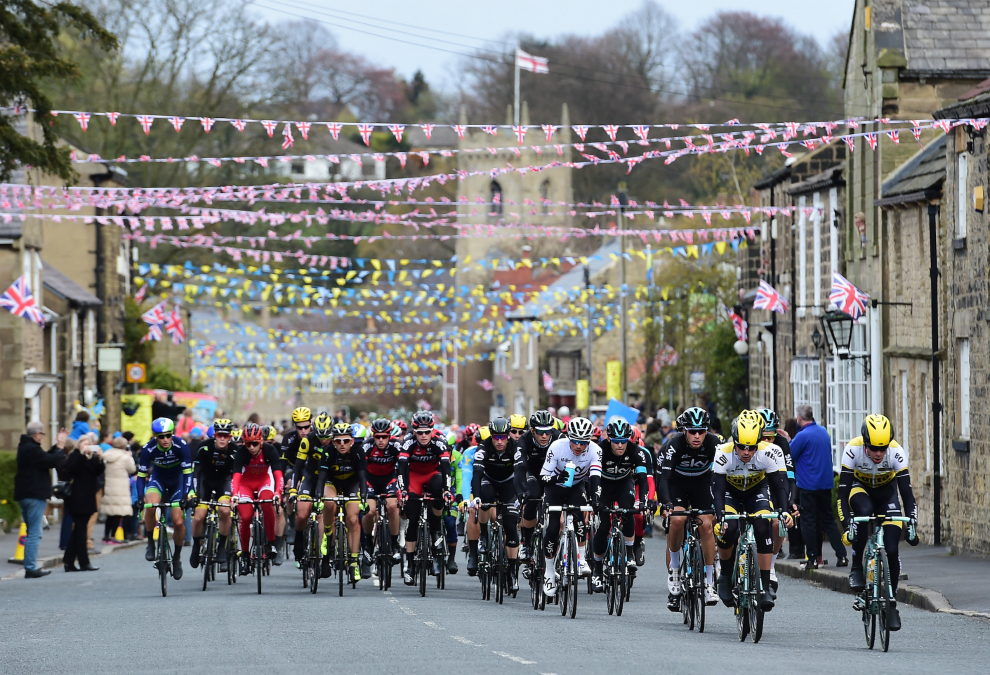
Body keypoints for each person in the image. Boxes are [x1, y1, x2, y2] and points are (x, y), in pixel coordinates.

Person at [838, 414, 918, 632]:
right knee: (863, 512)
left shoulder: (896, 452)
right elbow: (841, 496)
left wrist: (912, 525)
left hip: (886, 493)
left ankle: (891, 603)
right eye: (874, 448)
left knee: (892, 548)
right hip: (859, 489)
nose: (879, 454)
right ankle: (856, 567)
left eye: (882, 448)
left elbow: (908, 496)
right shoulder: (852, 450)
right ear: (865, 442)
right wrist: (847, 527)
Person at [713, 412, 793, 611]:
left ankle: (765, 586)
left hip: (757, 491)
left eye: (751, 447)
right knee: (729, 528)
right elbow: (718, 490)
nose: (746, 452)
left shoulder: (771, 451)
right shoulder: (723, 452)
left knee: (762, 524)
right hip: (730, 493)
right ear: (734, 441)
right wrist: (719, 515)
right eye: (741, 447)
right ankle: (724, 575)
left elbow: (780, 486)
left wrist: (784, 511)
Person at [657, 406, 720, 609]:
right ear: (684, 430)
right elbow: (664, 478)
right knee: (677, 520)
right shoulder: (673, 444)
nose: (697, 435)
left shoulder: (714, 443)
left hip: (702, 484)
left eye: (701, 431)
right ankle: (675, 570)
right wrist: (666, 505)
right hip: (677, 485)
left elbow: (722, 475)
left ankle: (709, 581)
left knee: (706, 525)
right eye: (692, 431)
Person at [540, 416, 602, 596]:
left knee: (580, 517)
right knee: (553, 528)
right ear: (569, 437)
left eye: (583, 443)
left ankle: (581, 558)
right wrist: (556, 478)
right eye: (574, 441)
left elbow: (596, 477)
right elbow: (543, 477)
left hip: (576, 486)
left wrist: (596, 498)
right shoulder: (557, 447)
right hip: (555, 488)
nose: (578, 446)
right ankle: (550, 572)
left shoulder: (595, 450)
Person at [590, 418, 650, 593]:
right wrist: (593, 499)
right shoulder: (599, 450)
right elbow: (591, 478)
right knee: (603, 525)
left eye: (623, 441)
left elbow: (643, 480)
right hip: (604, 485)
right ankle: (598, 569)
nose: (620, 446)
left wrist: (644, 502)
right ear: (609, 439)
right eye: (616, 442)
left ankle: (629, 554)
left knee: (628, 512)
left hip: (624, 483)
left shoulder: (635, 451)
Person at [465, 417, 523, 591]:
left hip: (509, 483)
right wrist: (475, 496)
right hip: (488, 481)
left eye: (503, 437)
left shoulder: (516, 447)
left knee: (511, 525)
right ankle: (484, 534)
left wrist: (521, 495)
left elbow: (520, 472)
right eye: (496, 437)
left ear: (507, 436)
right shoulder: (484, 447)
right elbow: (476, 474)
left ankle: (512, 572)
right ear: (491, 436)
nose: (499, 441)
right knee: (484, 500)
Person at [789, 404, 847, 570]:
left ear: (799, 418)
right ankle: (842, 555)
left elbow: (790, 455)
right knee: (828, 520)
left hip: (808, 485)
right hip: (825, 483)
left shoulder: (802, 435)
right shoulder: (823, 432)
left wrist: (788, 440)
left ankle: (812, 558)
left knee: (808, 521)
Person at [398, 410, 453, 585]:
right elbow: (402, 469)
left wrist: (447, 490)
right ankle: (410, 566)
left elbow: (446, 469)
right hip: (414, 477)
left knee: (438, 490)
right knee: (413, 520)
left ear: (432, 430)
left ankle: (436, 539)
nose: (423, 436)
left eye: (427, 432)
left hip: (433, 475)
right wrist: (403, 491)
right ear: (414, 432)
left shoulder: (439, 441)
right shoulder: (408, 442)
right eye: (419, 432)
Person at [137, 418, 193, 580]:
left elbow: (188, 473)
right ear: (155, 436)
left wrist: (186, 495)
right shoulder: (148, 449)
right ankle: (150, 543)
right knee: (151, 505)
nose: (165, 439)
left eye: (168, 435)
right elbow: (141, 476)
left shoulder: (181, 446)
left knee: (178, 521)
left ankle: (176, 558)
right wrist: (140, 497)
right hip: (158, 480)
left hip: (178, 482)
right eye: (161, 437)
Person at [315, 422, 368, 582]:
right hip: (332, 483)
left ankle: (353, 562)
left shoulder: (358, 452)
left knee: (352, 519)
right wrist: (318, 497)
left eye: (345, 441)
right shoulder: (328, 452)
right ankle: (328, 532)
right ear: (333, 442)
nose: (342, 444)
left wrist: (364, 497)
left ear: (352, 441)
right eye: (338, 441)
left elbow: (362, 478)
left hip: (352, 484)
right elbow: (321, 479)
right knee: (329, 503)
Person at [14, 422, 68, 578]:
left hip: (25, 494)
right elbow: (52, 461)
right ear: (37, 434)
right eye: (42, 434)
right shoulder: (30, 449)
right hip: (34, 494)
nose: (43, 437)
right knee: (34, 533)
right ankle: (30, 567)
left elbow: (45, 458)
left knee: (31, 530)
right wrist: (59, 446)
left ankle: (30, 565)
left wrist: (56, 447)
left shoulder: (26, 447)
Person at [231, 423, 283, 576]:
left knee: (268, 506)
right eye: (248, 444)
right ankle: (245, 556)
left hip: (263, 482)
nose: (251, 447)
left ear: (261, 441)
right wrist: (234, 494)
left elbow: (278, 473)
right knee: (246, 517)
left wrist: (278, 493)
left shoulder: (270, 450)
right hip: (245, 485)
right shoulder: (241, 453)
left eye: (255, 443)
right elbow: (236, 476)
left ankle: (271, 544)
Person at [188, 419, 236, 572]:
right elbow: (196, 472)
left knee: (225, 511)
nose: (222, 439)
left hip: (224, 482)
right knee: (198, 517)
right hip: (205, 483)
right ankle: (196, 545)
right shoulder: (204, 448)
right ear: (214, 435)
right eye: (220, 435)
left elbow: (236, 475)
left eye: (226, 436)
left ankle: (221, 546)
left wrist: (235, 495)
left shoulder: (235, 451)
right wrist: (194, 492)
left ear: (230, 437)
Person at [516, 410, 561, 567]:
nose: (544, 436)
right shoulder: (524, 439)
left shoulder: (558, 437)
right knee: (533, 496)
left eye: (548, 432)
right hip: (532, 472)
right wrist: (522, 490)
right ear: (533, 430)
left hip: (551, 473)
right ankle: (527, 545)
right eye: (540, 432)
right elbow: (520, 468)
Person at [361, 418, 403, 570]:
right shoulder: (367, 446)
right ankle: (368, 543)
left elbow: (404, 466)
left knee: (392, 507)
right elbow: (361, 470)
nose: (380, 440)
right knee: (369, 511)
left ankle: (394, 543)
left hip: (389, 480)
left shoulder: (396, 445)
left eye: (384, 437)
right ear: (373, 436)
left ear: (389, 435)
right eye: (377, 437)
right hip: (370, 481)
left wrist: (403, 487)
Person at [60, 435, 105, 572]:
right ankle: (84, 562)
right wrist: (81, 455)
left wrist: (100, 459)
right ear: (79, 445)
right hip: (76, 498)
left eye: (88, 444)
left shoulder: (91, 458)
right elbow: (71, 470)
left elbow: (97, 472)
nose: (86, 446)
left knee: (79, 530)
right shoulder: (75, 456)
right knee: (81, 530)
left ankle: (68, 561)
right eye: (84, 444)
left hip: (88, 497)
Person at [100, 437, 136, 544]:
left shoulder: (107, 454)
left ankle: (106, 535)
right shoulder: (125, 457)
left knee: (110, 513)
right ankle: (113, 536)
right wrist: (131, 457)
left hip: (109, 485)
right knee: (118, 513)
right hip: (121, 487)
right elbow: (132, 469)